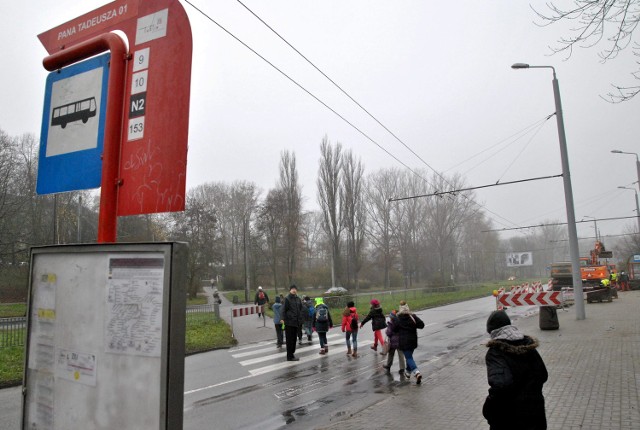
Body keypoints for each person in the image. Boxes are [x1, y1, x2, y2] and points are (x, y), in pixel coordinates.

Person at [483, 310, 548, 430]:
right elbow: (543, 375)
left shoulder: (495, 353)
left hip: (510, 418)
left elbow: (500, 385)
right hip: (535, 414)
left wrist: (488, 409)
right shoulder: (528, 345)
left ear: (492, 331)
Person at [393, 301, 425, 384]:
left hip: (404, 342)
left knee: (409, 358)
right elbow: (422, 325)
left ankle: (417, 372)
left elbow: (394, 329)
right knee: (409, 357)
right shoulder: (412, 316)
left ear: (400, 308)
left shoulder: (398, 318)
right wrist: (414, 325)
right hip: (413, 340)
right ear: (407, 307)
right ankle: (407, 373)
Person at [281, 285, 305, 361]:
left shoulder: (298, 299)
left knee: (294, 339)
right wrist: (282, 318)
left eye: (295, 289)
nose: (294, 290)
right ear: (290, 290)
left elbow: (301, 309)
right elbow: (283, 309)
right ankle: (289, 356)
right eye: (292, 289)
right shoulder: (287, 299)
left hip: (296, 322)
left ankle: (292, 353)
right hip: (289, 322)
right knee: (289, 340)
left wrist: (301, 318)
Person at [383, 310, 406, 375]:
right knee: (401, 354)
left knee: (391, 354)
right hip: (400, 341)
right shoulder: (401, 322)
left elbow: (388, 333)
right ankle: (402, 368)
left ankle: (388, 366)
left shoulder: (391, 323)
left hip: (393, 341)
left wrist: (386, 331)